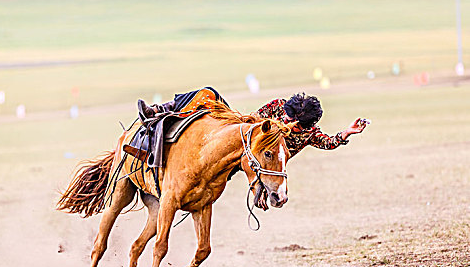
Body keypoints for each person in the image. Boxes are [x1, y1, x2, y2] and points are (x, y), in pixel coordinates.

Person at [137, 88, 368, 158]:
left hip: (254, 163)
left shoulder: (308, 134)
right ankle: (160, 111)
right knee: (208, 94)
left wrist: (347, 132)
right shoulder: (279, 106)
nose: (283, 119)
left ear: (301, 125)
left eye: (289, 120)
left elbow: (328, 142)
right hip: (240, 139)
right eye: (285, 115)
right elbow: (254, 120)